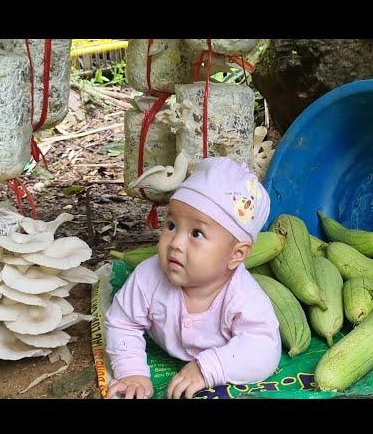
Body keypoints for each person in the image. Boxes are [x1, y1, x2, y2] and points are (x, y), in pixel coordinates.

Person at [104, 157, 281, 399]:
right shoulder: (149, 276)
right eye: (171, 225)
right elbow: (122, 322)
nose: (175, 243)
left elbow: (265, 348)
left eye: (197, 233)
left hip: (216, 360)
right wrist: (131, 371)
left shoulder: (243, 296)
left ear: (236, 254)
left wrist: (208, 367)